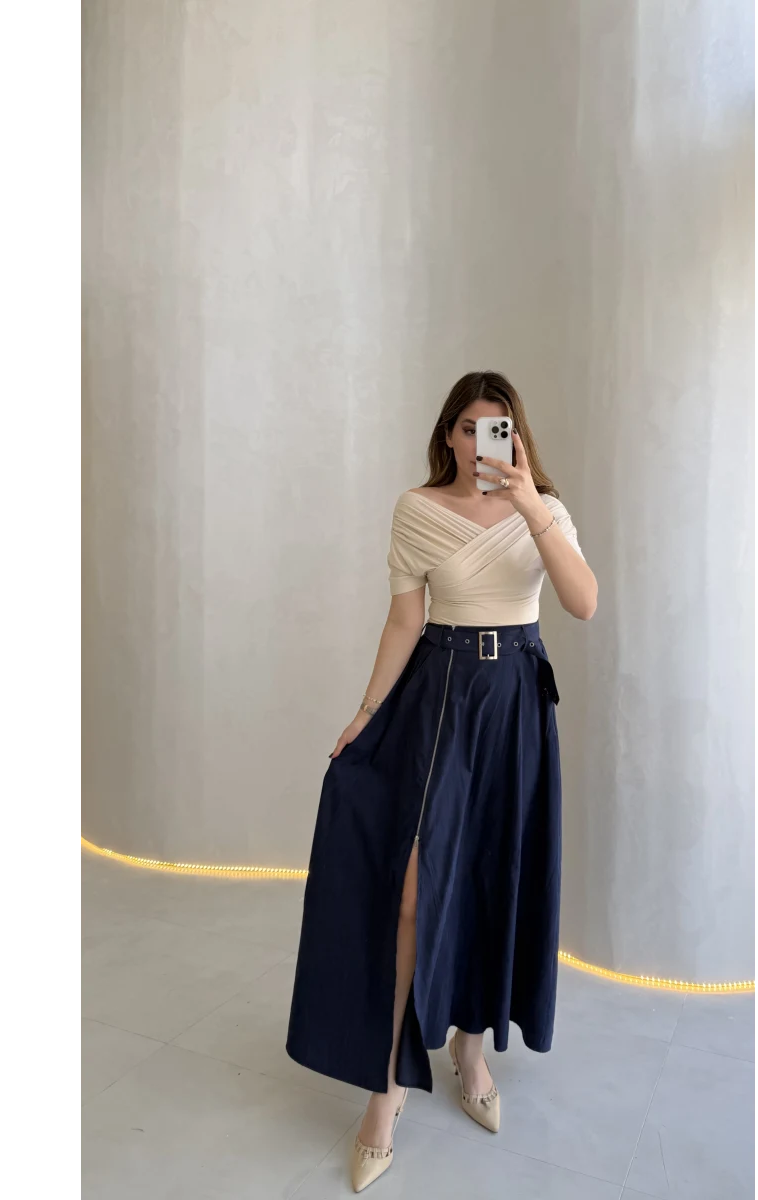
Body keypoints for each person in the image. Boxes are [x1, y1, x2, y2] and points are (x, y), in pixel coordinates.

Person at [285, 370, 598, 1192]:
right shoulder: (416, 509)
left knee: (497, 878)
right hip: (443, 697)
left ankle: (472, 1049)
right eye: (467, 427)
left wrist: (531, 506)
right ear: (448, 435)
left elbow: (584, 602)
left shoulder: (546, 509)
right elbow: (404, 619)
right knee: (412, 895)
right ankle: (387, 1091)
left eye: (497, 428)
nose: (479, 442)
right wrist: (364, 713)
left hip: (518, 704)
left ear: (516, 437)